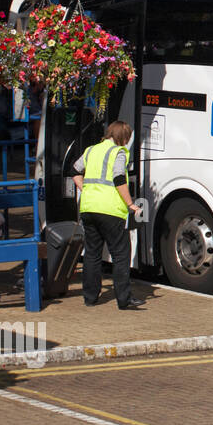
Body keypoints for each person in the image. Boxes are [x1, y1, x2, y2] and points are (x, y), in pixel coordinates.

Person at [73, 121, 145, 310]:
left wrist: (86, 189)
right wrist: (131, 204)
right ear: (123, 137)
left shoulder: (91, 150)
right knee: (121, 255)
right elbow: (119, 177)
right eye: (127, 139)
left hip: (88, 208)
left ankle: (90, 298)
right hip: (111, 210)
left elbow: (74, 171)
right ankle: (124, 299)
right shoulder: (118, 152)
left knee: (92, 254)